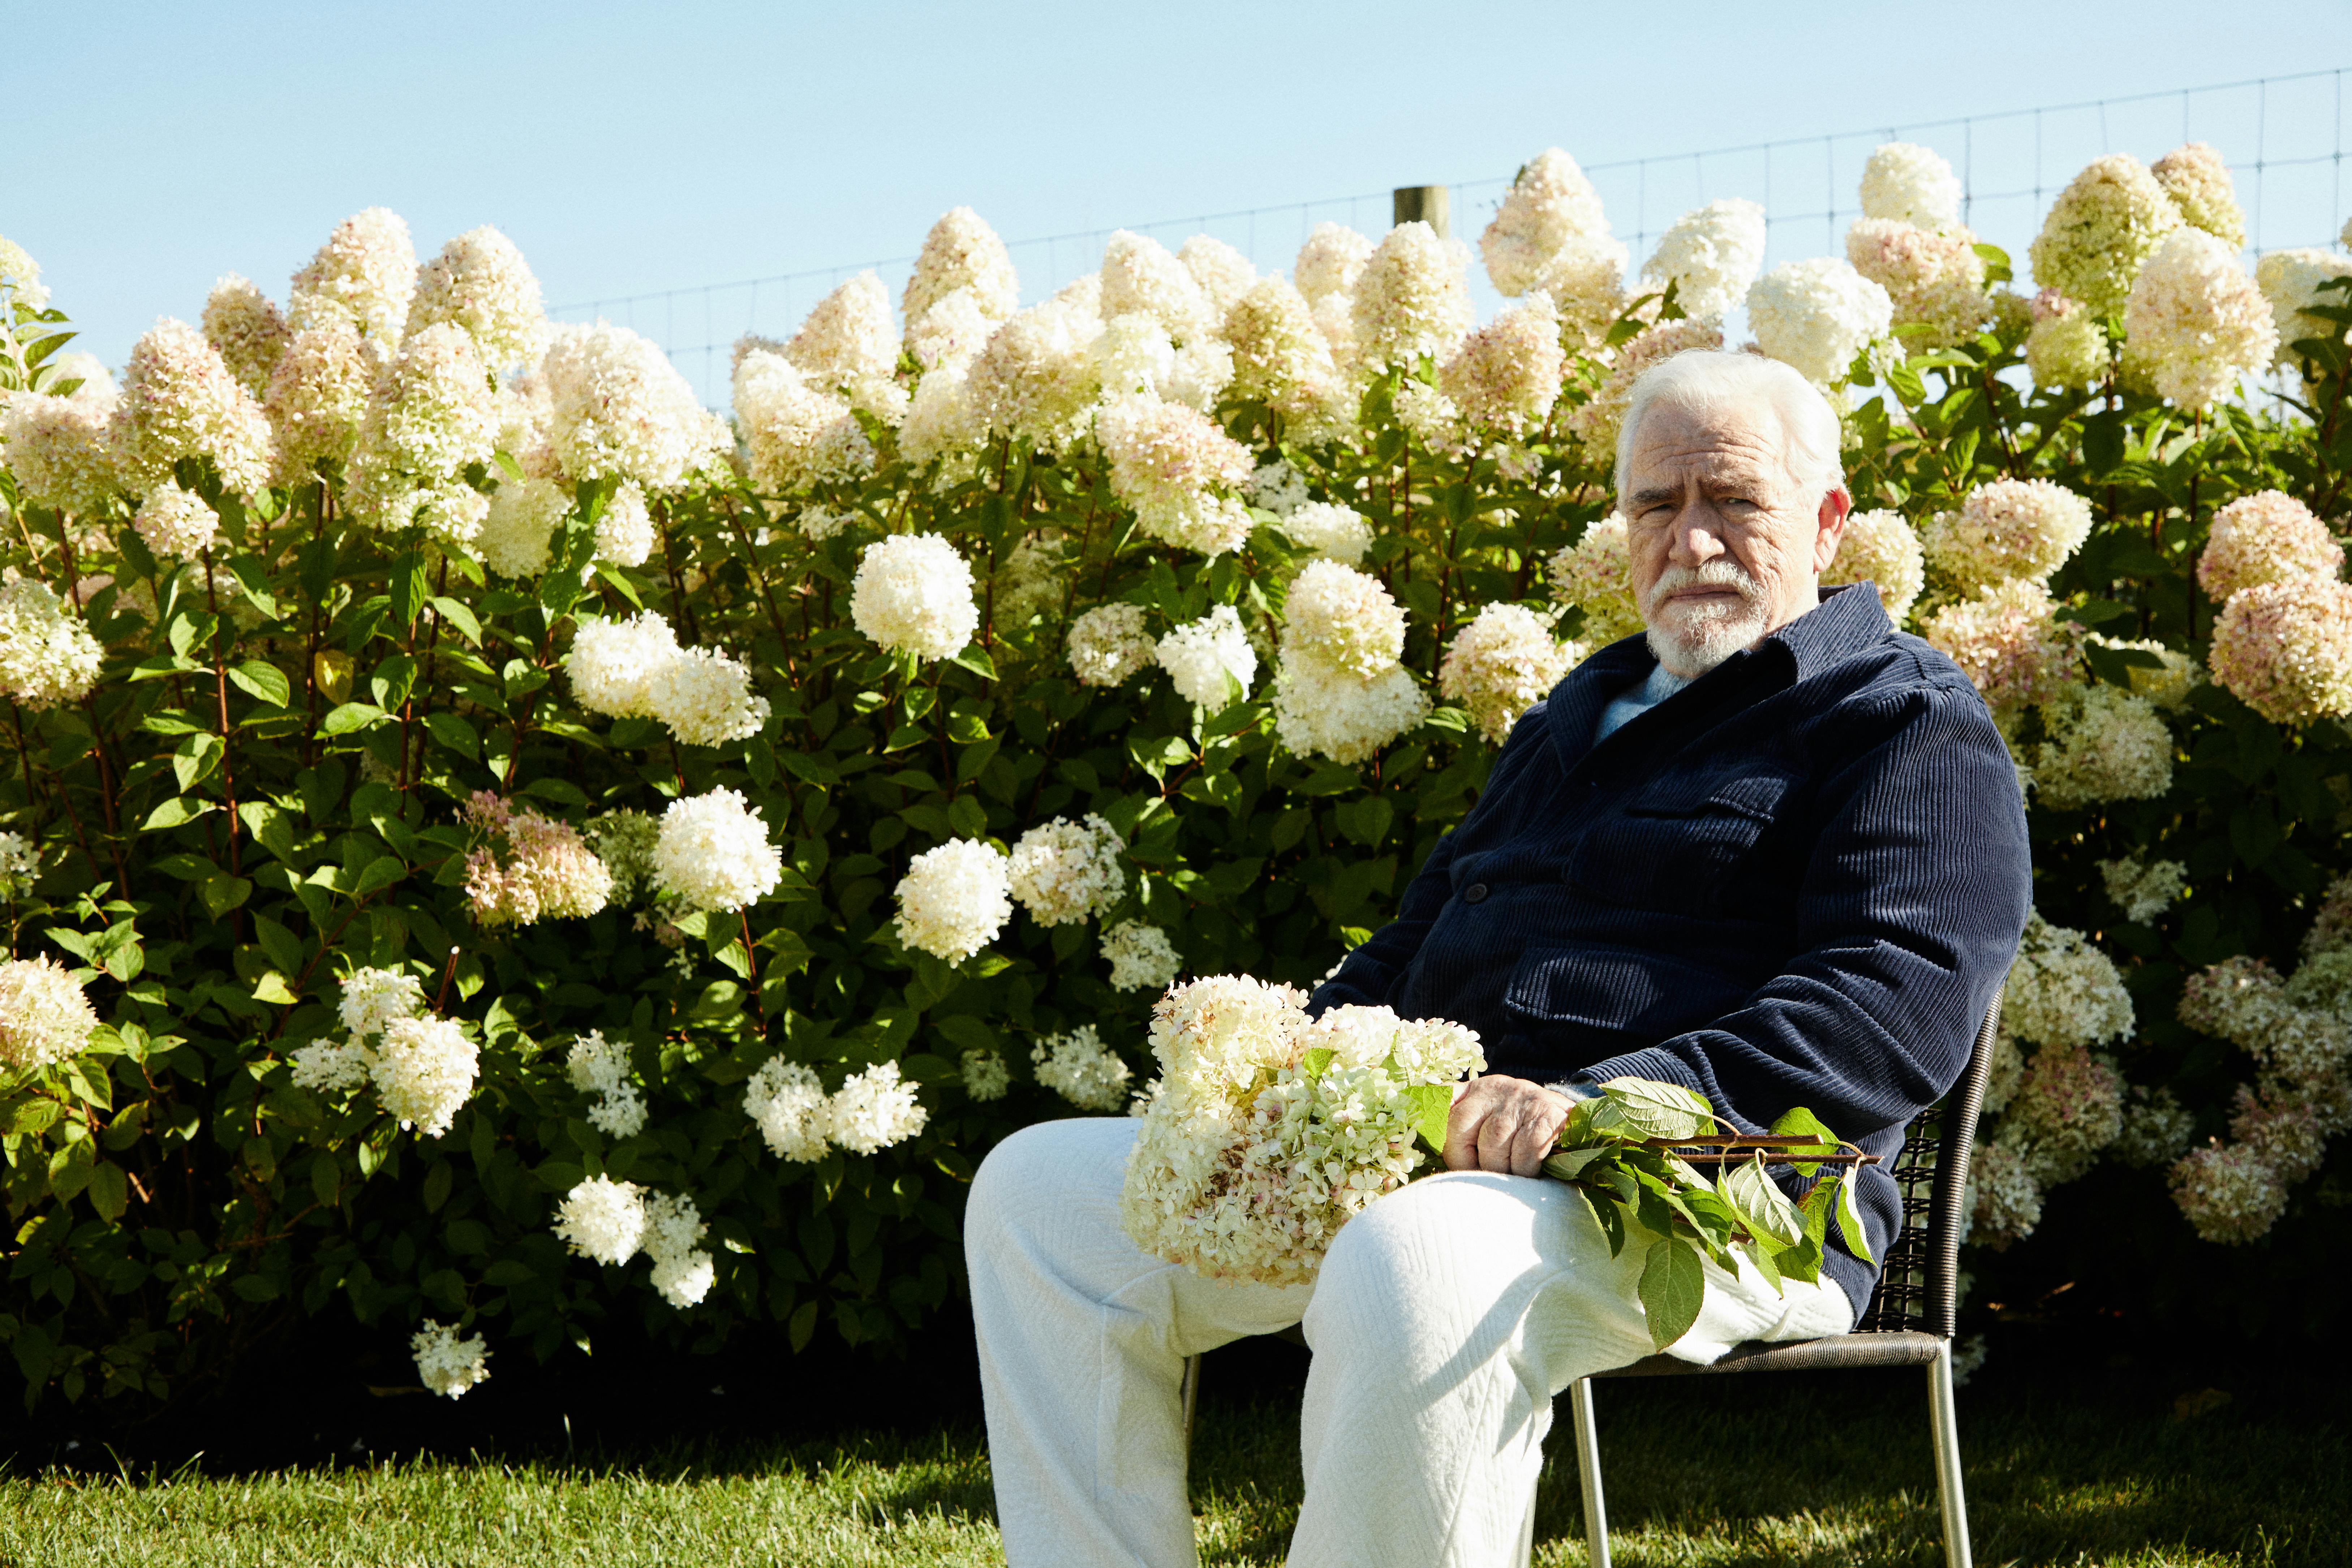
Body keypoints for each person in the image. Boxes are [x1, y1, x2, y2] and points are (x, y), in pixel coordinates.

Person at [965, 349, 2031, 1568]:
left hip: (1709, 1193)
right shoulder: (1582, 711)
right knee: (1041, 1198)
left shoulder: (1904, 721)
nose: (1690, 540)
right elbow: (1422, 935)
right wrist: (1295, 1075)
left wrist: (1592, 1108)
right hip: (1435, 1152)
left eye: (1733, 499)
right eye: (1654, 505)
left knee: (1419, 1256)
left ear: (1827, 521)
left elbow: (1891, 1003)